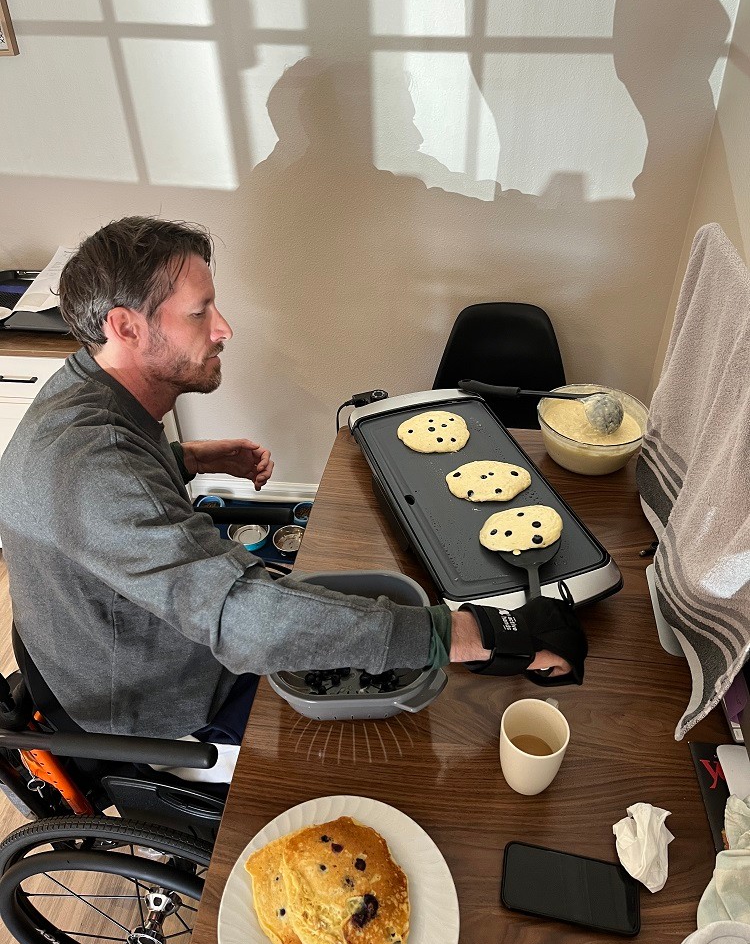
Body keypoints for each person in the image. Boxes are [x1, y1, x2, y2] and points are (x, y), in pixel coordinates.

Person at [0, 217, 585, 774]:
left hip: (94, 645)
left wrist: (188, 459)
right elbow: (244, 623)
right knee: (391, 750)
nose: (223, 328)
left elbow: (84, 510)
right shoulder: (94, 461)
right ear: (126, 328)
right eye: (200, 313)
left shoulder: (85, 384)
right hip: (147, 707)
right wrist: (474, 633)